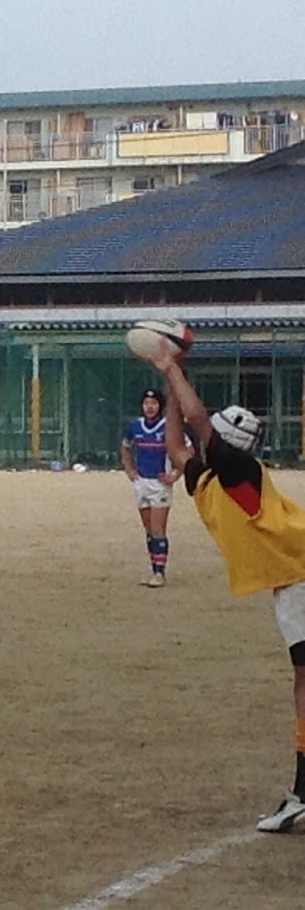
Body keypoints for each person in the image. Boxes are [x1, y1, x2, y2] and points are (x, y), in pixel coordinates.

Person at [149, 343, 305, 832]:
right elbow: (176, 447)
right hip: (292, 578)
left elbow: (197, 423)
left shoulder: (237, 470)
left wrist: (171, 367)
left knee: (304, 683)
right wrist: (172, 384)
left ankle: (303, 793)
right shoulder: (210, 477)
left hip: (300, 575)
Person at [120, 388, 180, 587]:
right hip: (141, 482)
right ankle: (154, 567)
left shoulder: (169, 427)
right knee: (148, 529)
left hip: (159, 484)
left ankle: (160, 573)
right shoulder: (135, 426)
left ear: (160, 406)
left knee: (157, 529)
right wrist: (129, 470)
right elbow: (125, 447)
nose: (150, 407)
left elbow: (187, 450)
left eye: (154, 403)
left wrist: (175, 474)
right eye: (146, 403)